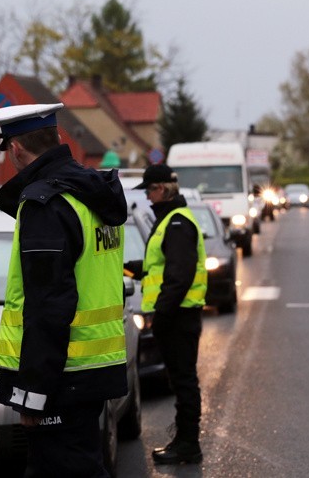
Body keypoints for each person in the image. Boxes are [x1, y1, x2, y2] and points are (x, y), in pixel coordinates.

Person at [0, 102, 128, 477]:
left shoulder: (46, 204)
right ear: (58, 138)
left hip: (62, 379)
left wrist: (33, 395)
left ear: (16, 149)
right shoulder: (92, 194)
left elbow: (48, 306)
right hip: (91, 372)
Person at [124, 163, 207, 465]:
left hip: (179, 318)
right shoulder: (171, 220)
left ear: (162, 189)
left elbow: (179, 278)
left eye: (149, 190)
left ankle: (188, 445)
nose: (147, 196)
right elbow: (163, 267)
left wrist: (161, 316)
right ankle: (184, 441)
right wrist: (135, 267)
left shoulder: (176, 223)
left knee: (184, 382)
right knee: (181, 380)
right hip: (178, 317)